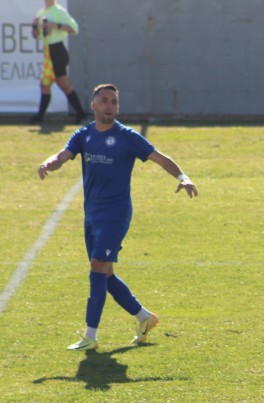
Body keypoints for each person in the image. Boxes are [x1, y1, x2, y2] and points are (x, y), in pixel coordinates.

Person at [37, 83, 198, 350]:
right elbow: (63, 155)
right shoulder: (84, 135)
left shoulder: (127, 137)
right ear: (94, 105)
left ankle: (90, 336)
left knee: (97, 268)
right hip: (92, 215)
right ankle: (144, 317)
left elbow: (159, 158)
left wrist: (184, 176)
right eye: (104, 101)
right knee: (106, 274)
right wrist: (49, 163)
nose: (109, 106)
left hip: (116, 213)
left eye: (114, 102)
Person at [29, 0, 87, 124]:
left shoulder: (59, 11)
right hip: (48, 51)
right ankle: (40, 117)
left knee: (63, 84)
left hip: (58, 50)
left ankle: (81, 114)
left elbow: (74, 29)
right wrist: (35, 27)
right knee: (45, 84)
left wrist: (56, 25)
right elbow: (37, 35)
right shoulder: (41, 12)